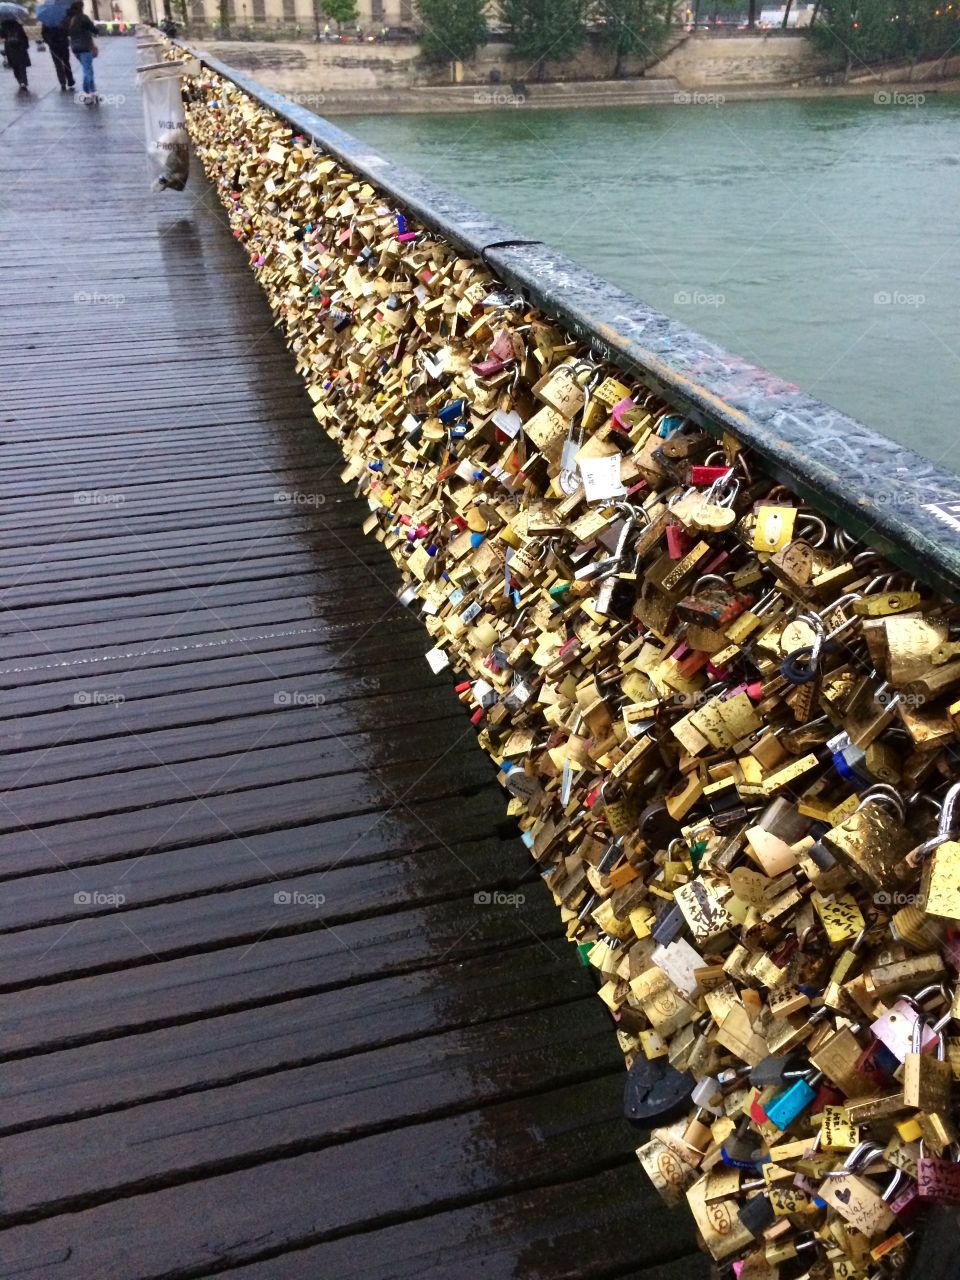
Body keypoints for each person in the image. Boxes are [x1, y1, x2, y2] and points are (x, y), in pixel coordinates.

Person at [67, 0, 96, 100]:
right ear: (81, 7)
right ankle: (87, 91)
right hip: (85, 47)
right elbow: (93, 29)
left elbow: (66, 32)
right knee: (87, 70)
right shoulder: (83, 18)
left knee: (88, 69)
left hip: (75, 48)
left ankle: (93, 91)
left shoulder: (70, 19)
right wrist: (96, 31)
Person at [41, 13, 75, 92]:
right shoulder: (63, 18)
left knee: (59, 64)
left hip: (55, 45)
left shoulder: (47, 20)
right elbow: (68, 31)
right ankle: (69, 81)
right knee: (66, 63)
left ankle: (63, 82)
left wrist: (49, 41)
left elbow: (43, 33)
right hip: (61, 44)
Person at [1, 16, 30, 92]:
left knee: (14, 66)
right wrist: (26, 46)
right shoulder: (18, 25)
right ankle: (24, 81)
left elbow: (2, 36)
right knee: (22, 65)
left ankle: (20, 81)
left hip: (10, 48)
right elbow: (24, 36)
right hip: (20, 47)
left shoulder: (3, 25)